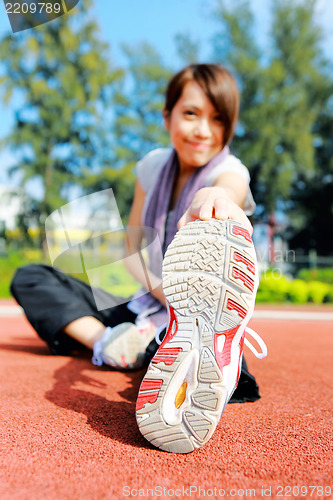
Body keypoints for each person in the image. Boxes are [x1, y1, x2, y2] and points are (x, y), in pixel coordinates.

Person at [10, 63, 267, 453]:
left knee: (213, 347)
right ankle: (114, 343)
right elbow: (131, 248)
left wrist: (211, 199)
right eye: (191, 114)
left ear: (229, 127)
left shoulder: (230, 170)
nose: (203, 131)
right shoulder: (151, 167)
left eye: (218, 120)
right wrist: (163, 295)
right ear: (167, 116)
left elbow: (230, 188)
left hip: (195, 313)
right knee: (32, 276)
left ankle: (187, 354)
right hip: (145, 302)